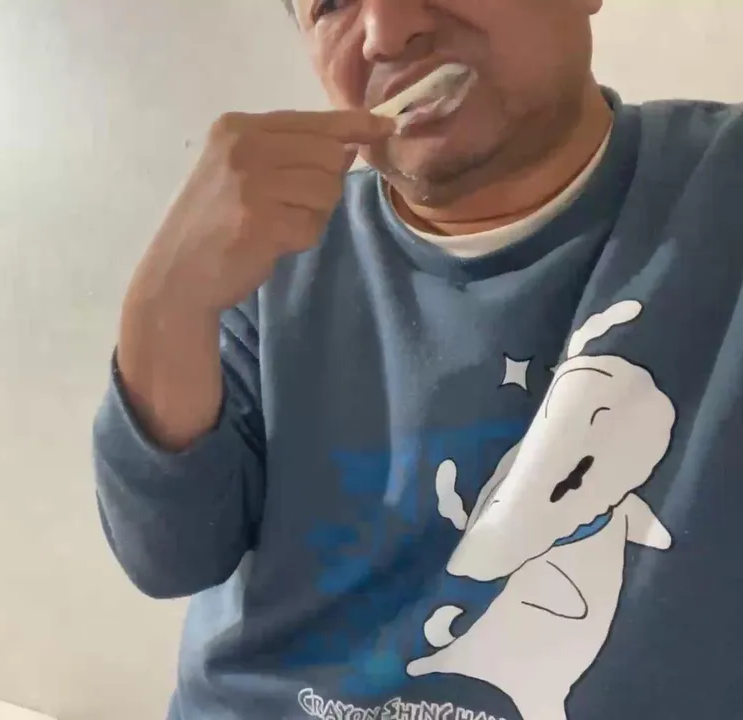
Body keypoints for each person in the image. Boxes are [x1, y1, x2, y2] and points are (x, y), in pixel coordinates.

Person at [92, 0, 743, 718]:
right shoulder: (271, 252)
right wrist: (164, 308)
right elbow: (170, 556)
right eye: (331, 4)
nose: (385, 32)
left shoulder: (720, 195)